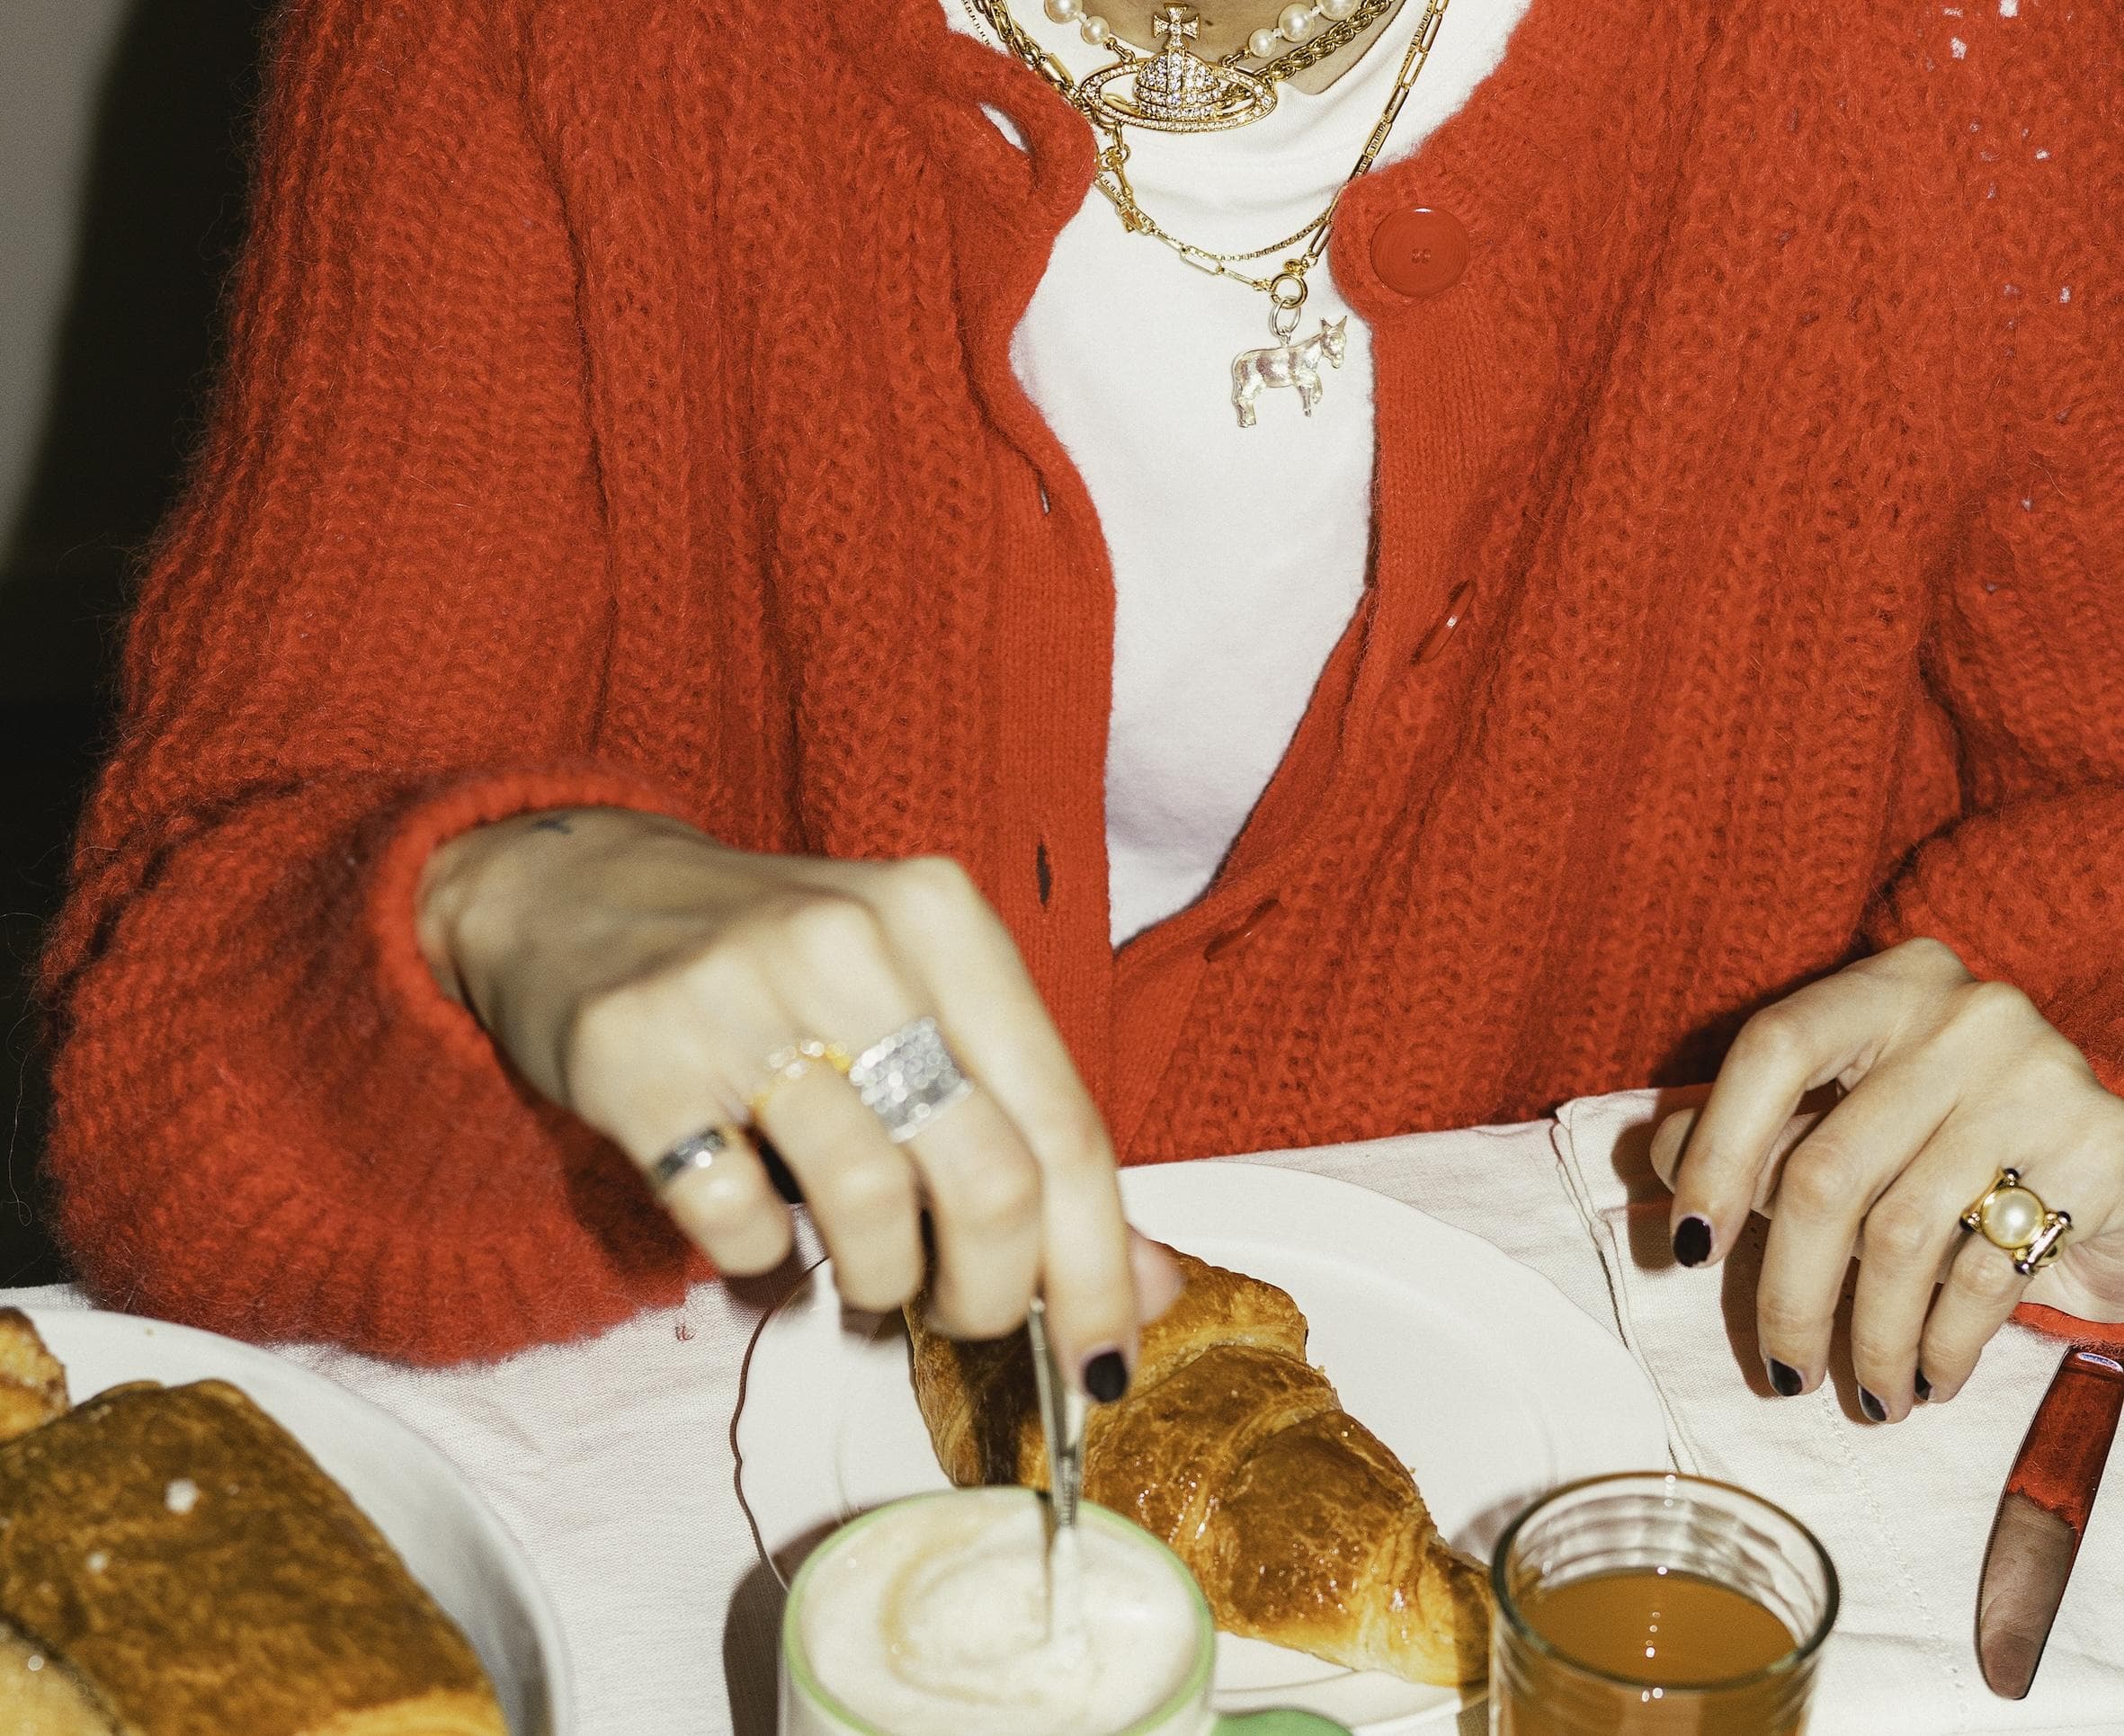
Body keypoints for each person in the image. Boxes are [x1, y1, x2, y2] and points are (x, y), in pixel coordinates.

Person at [37, 0, 2124, 1425]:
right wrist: (505, 904)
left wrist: (2059, 1098)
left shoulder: (1959, 51)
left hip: (1646, 1508)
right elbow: (169, 1105)